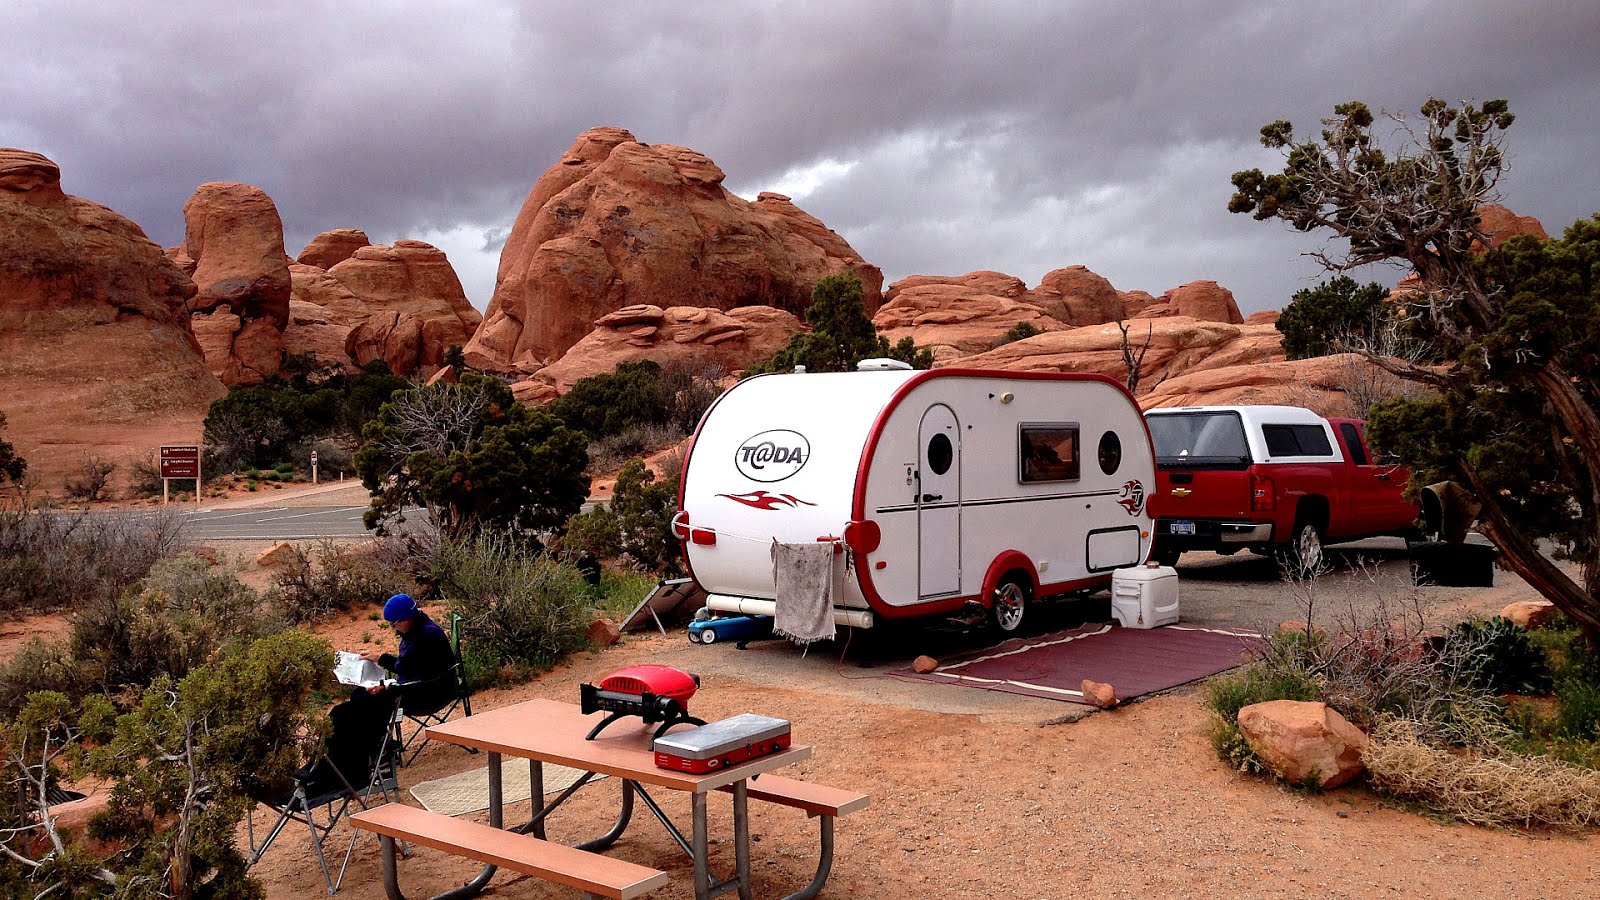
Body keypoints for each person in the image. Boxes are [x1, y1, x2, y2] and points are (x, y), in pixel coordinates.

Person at [300, 593, 456, 796]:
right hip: (417, 686)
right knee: (349, 706)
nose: (393, 628)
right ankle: (357, 754)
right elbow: (408, 666)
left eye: (394, 623)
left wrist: (387, 687)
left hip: (428, 693)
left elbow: (421, 677)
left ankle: (366, 754)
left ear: (405, 619)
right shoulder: (417, 631)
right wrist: (379, 659)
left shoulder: (426, 637)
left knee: (359, 706)